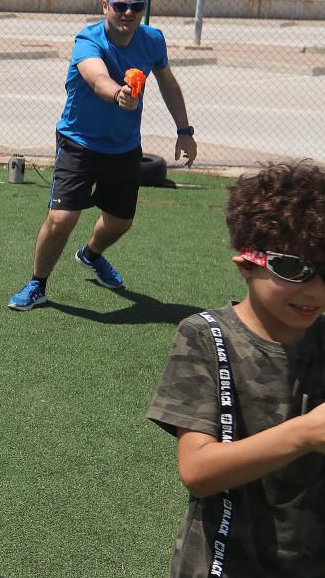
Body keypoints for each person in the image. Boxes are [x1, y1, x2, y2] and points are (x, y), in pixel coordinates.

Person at [147, 161, 325, 577]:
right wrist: (304, 433)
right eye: (293, 269)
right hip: (226, 563)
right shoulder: (206, 337)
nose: (315, 290)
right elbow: (199, 472)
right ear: (246, 263)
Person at [7, 0, 199, 311]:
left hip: (124, 146)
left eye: (136, 6)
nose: (128, 13)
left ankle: (91, 255)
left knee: (120, 222)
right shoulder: (88, 39)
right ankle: (37, 283)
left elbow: (168, 83)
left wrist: (185, 130)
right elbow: (96, 78)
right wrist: (119, 93)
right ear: (105, 5)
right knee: (62, 219)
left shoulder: (153, 40)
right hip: (78, 142)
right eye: (121, 5)